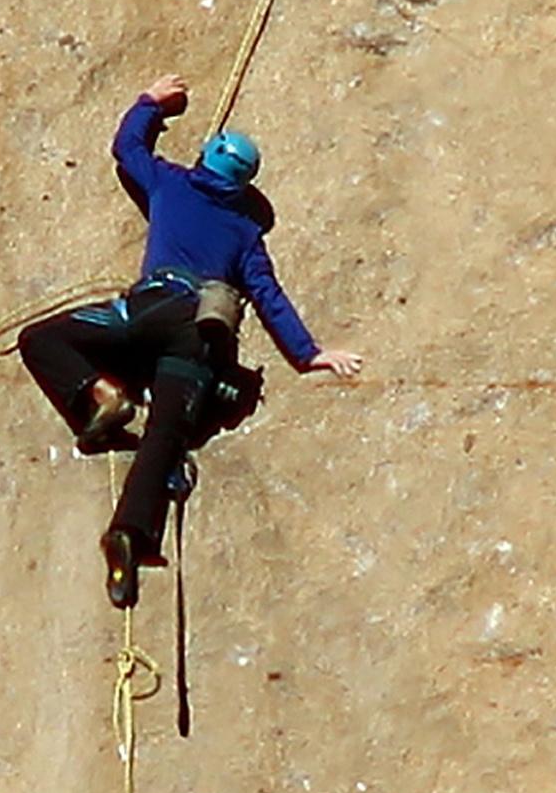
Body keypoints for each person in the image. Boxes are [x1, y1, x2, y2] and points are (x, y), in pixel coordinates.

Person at [18, 74, 363, 608]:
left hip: (144, 308)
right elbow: (268, 295)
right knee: (165, 438)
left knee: (39, 339)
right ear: (244, 186)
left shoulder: (171, 183)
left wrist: (150, 103)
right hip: (195, 330)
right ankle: (129, 536)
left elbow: (127, 148)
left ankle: (97, 395)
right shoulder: (245, 232)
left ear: (205, 160)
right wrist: (309, 353)